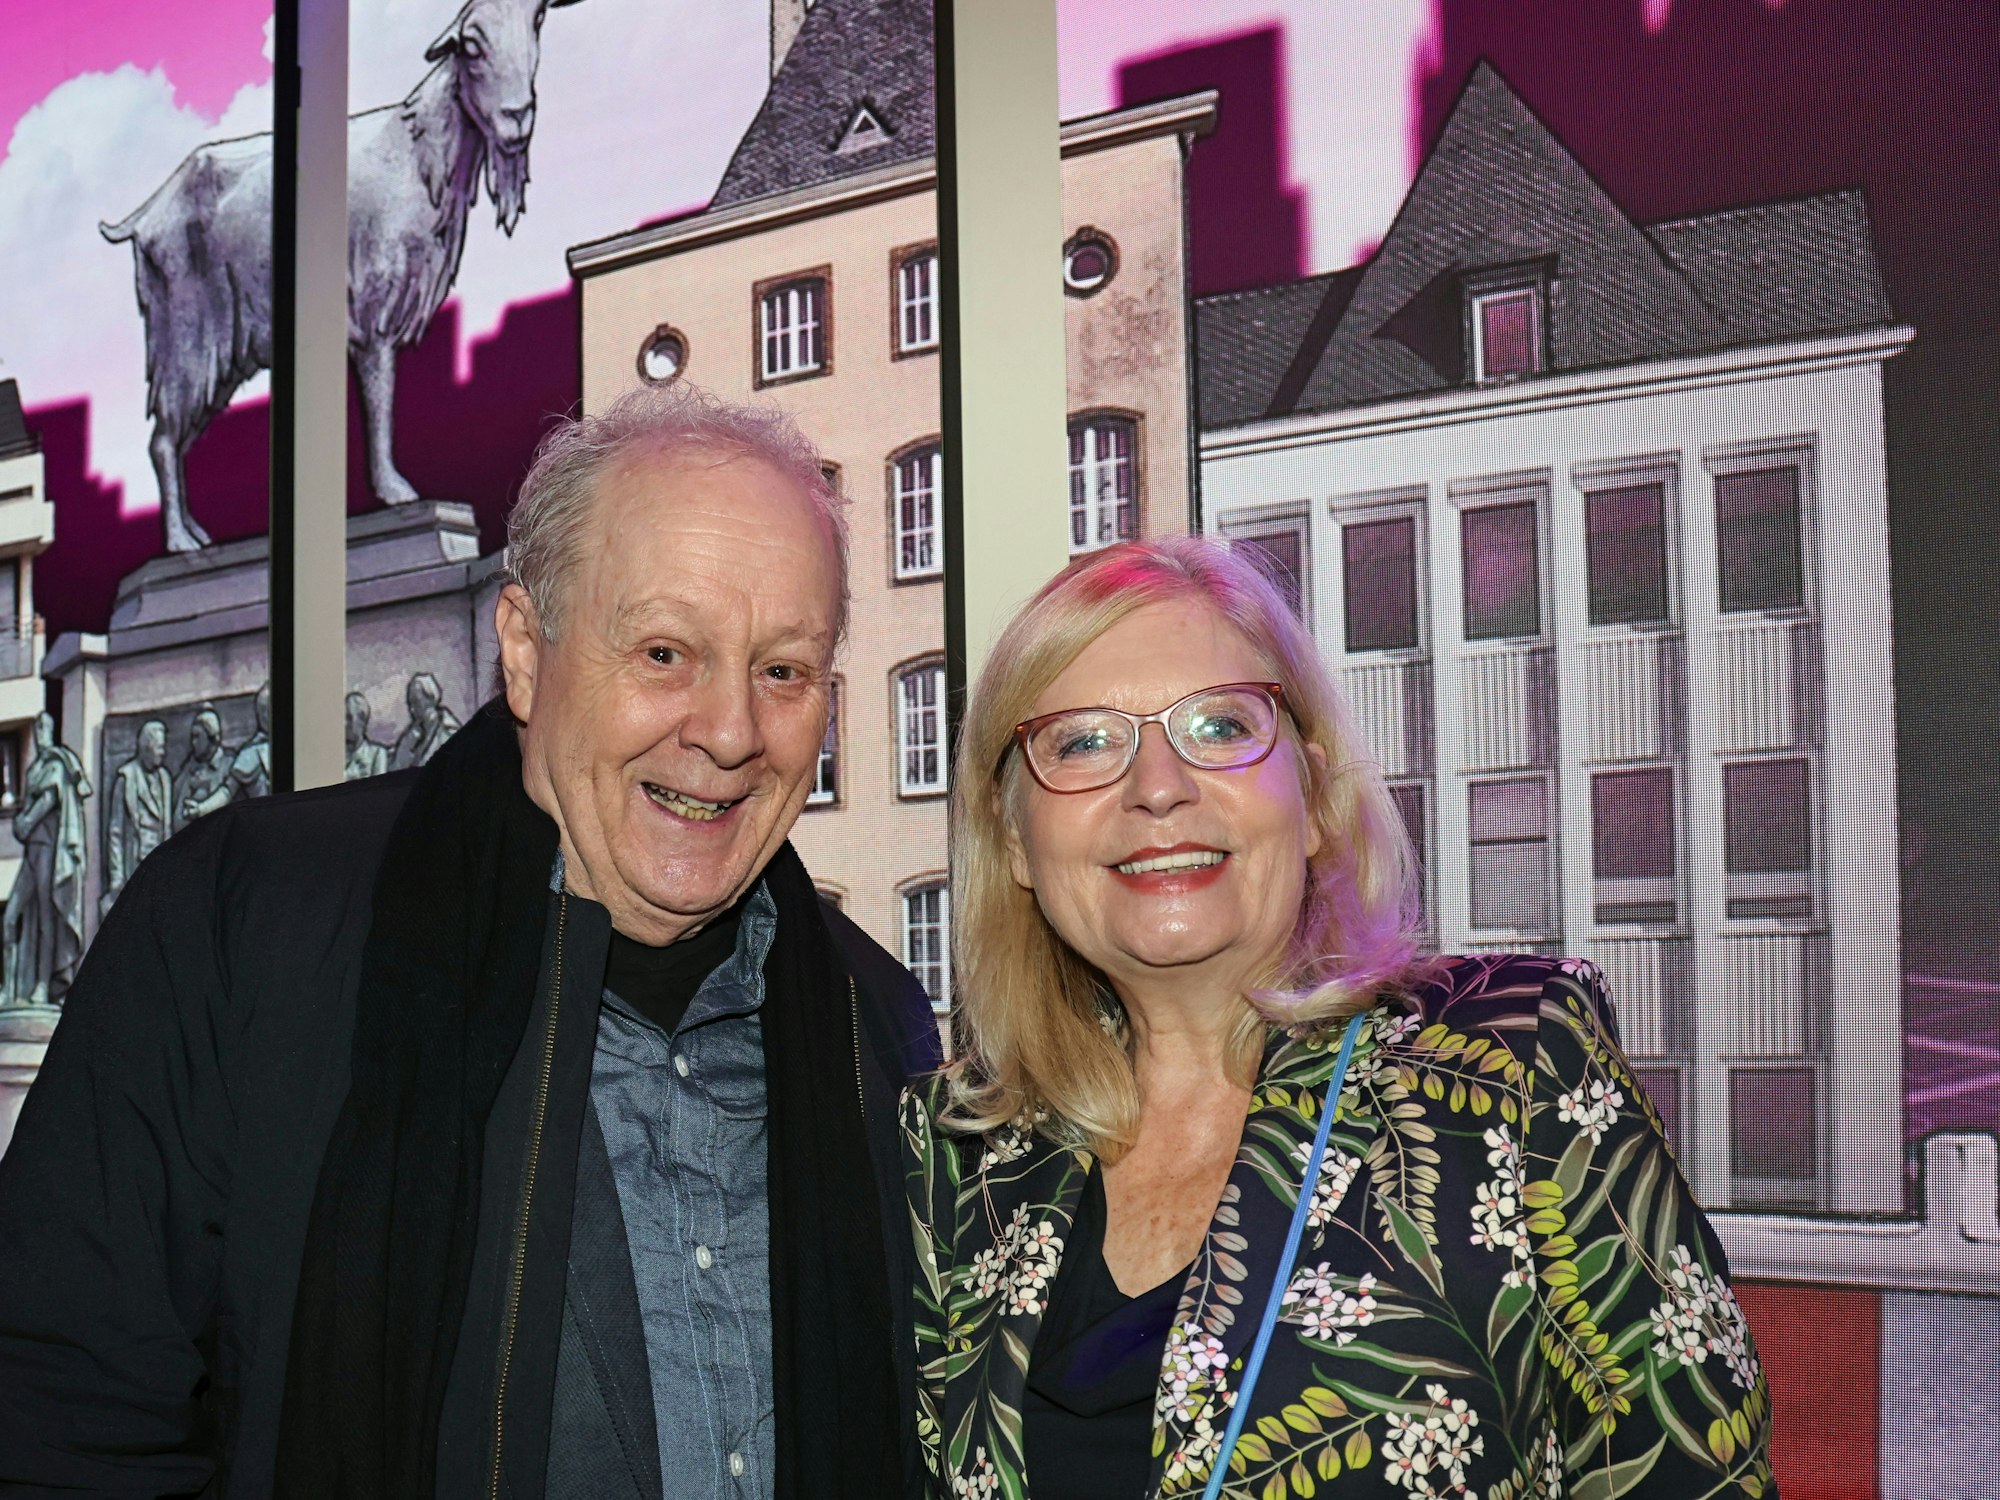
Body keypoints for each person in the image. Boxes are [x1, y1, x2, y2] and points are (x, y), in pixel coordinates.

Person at [0, 384, 941, 1500]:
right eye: (661, 653)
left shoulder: (874, 1026)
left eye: (782, 671)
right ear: (525, 651)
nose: (730, 731)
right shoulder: (241, 930)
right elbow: (62, 1433)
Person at [903, 538, 1775, 1500]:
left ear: (1314, 796)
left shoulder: (1513, 1066)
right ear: (1016, 838)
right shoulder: (955, 1158)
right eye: (1083, 742)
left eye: (1220, 725)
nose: (1156, 785)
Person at [1, 713, 90, 1007]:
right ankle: (12, 988)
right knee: (11, 915)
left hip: (49, 850)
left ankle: (42, 985)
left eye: (44, 727)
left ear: (52, 730)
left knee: (45, 917)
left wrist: (24, 822)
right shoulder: (35, 768)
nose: (40, 733)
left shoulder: (56, 763)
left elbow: (47, 801)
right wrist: (21, 823)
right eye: (37, 728)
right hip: (31, 853)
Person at [102, 718, 173, 912]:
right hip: (135, 864)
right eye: (159, 748)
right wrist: (116, 876)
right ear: (146, 747)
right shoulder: (126, 779)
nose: (163, 753)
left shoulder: (165, 779)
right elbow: (115, 832)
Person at [390, 671, 462, 770]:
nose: (412, 709)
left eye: (416, 702)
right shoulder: (410, 736)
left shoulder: (450, 732)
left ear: (431, 699)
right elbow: (394, 770)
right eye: (410, 703)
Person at [172, 704, 229, 827]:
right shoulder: (189, 768)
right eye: (192, 737)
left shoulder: (228, 765)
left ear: (211, 737)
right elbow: (175, 799)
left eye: (197, 737)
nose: (193, 742)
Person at [344, 690, 390, 780]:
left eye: (349, 718)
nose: (344, 723)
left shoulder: (377, 753)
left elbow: (379, 789)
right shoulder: (334, 753)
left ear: (362, 720)